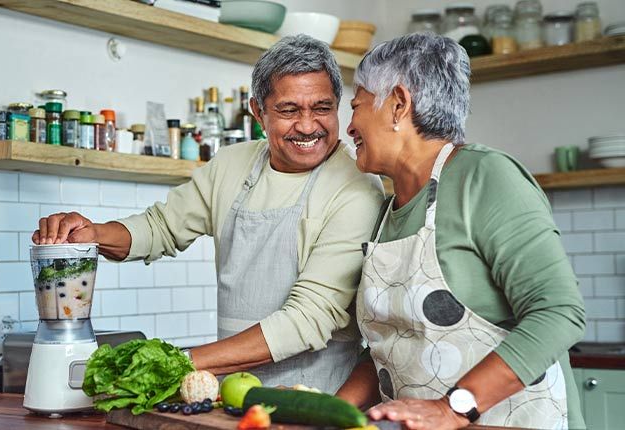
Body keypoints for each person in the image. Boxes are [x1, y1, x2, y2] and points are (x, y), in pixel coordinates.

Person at [33, 35, 385, 393]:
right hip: (229, 397)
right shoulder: (233, 165)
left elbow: (308, 318)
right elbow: (162, 228)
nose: (308, 126)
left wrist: (176, 362)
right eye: (289, 110)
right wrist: (94, 233)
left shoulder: (356, 188)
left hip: (316, 401)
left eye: (322, 108)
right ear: (258, 112)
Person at [335, 33, 586, 429]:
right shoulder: (387, 211)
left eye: (357, 107)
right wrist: (331, 414)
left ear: (398, 104)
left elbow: (558, 312)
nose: (349, 128)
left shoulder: (486, 176)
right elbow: (394, 350)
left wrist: (451, 409)